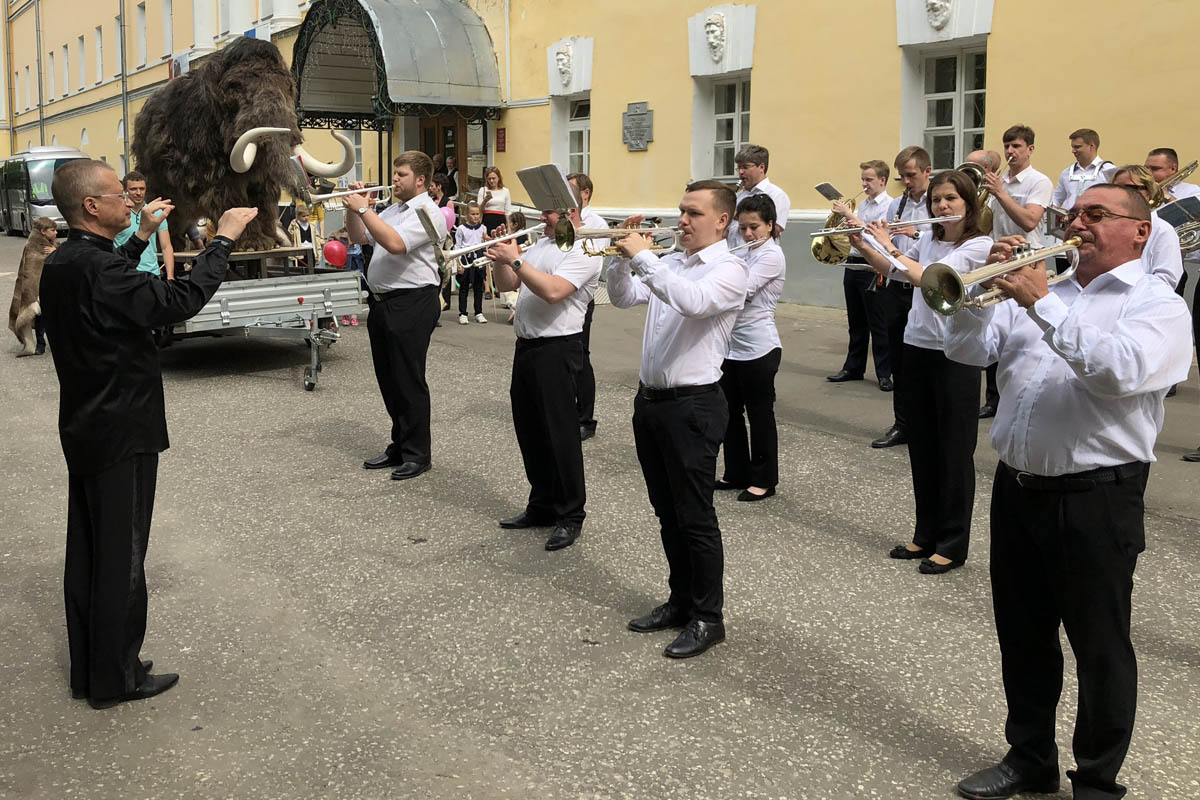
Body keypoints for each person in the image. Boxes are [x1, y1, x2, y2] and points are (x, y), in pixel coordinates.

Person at [944, 184, 1192, 800]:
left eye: (1096, 215)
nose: (1077, 224)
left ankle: (1098, 782)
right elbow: (966, 349)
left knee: (1099, 644)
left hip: (1096, 497)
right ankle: (1030, 758)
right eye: (1073, 214)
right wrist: (979, 293)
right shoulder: (1044, 290)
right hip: (1017, 486)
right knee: (1023, 635)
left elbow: (1118, 373)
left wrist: (1042, 302)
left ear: (1141, 232)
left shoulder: (1157, 304)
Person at [39, 158, 255, 709]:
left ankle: (98, 667)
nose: (129, 202)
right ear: (91, 205)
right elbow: (175, 304)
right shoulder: (98, 269)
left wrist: (142, 237)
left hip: (89, 424)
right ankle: (118, 679)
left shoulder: (68, 260)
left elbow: (112, 284)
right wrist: (223, 242)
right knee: (121, 557)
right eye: (119, 195)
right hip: (121, 428)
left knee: (92, 552)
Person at [608, 180, 748, 659]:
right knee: (667, 512)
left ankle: (710, 618)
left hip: (694, 405)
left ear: (722, 221)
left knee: (695, 517)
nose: (682, 220)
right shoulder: (671, 262)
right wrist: (620, 257)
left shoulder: (730, 269)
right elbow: (623, 298)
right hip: (651, 403)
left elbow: (693, 302)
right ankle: (680, 600)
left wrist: (643, 258)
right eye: (681, 212)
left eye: (692, 213)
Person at [848, 169, 992, 574]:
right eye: (936, 201)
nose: (941, 206)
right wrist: (861, 242)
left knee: (953, 450)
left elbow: (926, 277)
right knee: (922, 446)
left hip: (956, 355)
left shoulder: (979, 245)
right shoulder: (928, 239)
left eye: (951, 200)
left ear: (968, 206)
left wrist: (886, 244)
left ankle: (952, 542)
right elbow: (895, 272)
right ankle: (924, 533)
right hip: (918, 346)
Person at [485, 189, 599, 552]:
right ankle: (542, 504)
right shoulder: (540, 244)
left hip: (558, 348)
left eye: (548, 213)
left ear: (569, 212)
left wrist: (516, 260)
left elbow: (553, 291)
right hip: (528, 346)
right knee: (530, 430)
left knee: (560, 435)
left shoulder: (584, 250)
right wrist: (502, 258)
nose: (542, 219)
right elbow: (508, 286)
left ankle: (570, 515)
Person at [343, 151, 448, 482]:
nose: (395, 179)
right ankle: (400, 443)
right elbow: (360, 237)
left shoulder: (427, 212)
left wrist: (363, 207)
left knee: (408, 378)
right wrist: (353, 210)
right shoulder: (394, 209)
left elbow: (395, 243)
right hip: (384, 302)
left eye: (401, 174)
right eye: (395, 173)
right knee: (389, 378)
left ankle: (418, 453)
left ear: (420, 179)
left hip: (413, 301)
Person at [978, 125, 1054, 419]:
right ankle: (993, 399)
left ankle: (1020, 394)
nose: (1010, 152)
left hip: (1027, 261)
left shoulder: (1039, 181)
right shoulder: (1001, 181)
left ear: (1030, 150)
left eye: (1017, 146)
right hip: (1000, 257)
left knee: (1023, 332)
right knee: (994, 327)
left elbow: (1029, 221)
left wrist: (1000, 193)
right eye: (1007, 146)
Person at [716, 194, 785, 502]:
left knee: (759, 415)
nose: (747, 234)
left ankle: (764, 479)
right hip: (731, 347)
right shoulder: (741, 251)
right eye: (742, 228)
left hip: (759, 347)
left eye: (754, 227)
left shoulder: (771, 256)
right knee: (728, 413)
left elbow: (739, 291)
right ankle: (736, 472)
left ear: (770, 226)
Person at [871, 146, 934, 449]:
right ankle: (902, 424)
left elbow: (945, 238)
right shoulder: (896, 204)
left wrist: (915, 234)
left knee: (929, 359)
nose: (907, 182)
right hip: (897, 287)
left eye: (911, 175)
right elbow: (886, 247)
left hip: (925, 286)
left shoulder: (938, 203)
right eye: (903, 177)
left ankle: (929, 422)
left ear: (927, 172)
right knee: (899, 357)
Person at [826, 159, 893, 390]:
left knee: (878, 322)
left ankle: (885, 373)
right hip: (853, 262)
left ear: (882, 180)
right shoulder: (863, 204)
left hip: (872, 265)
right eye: (863, 179)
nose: (864, 184)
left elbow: (874, 233)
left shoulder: (889, 205)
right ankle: (853, 367)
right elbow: (857, 230)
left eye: (869, 179)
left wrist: (850, 216)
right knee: (856, 321)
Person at [567, 172, 606, 440]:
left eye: (570, 190)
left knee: (580, 356)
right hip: (560, 295)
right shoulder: (563, 217)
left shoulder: (597, 223)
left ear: (585, 193)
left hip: (580, 296)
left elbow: (595, 260)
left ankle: (585, 419)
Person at [1108, 166, 1184, 288]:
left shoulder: (1163, 230)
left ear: (1148, 192)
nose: (1120, 193)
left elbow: (1166, 280)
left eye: (1129, 188)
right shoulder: (1106, 224)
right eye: (1116, 188)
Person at [9, 216, 58, 356]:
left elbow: (62, 262)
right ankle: (40, 344)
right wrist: (30, 292)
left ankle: (56, 343)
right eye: (53, 230)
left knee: (53, 317)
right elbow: (29, 271)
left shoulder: (54, 245)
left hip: (52, 286)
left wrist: (56, 252)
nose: (56, 233)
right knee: (40, 318)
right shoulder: (31, 246)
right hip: (38, 289)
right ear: (43, 231)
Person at [113, 170, 176, 280]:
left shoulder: (157, 213)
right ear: (125, 191)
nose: (138, 193)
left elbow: (166, 247)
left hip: (152, 274)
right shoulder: (118, 214)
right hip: (125, 273)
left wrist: (170, 276)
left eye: (141, 189)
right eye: (133, 189)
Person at [729, 144, 791, 245]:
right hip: (735, 256)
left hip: (759, 256)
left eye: (745, 167)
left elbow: (775, 230)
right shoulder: (738, 196)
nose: (740, 172)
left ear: (761, 167)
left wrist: (738, 216)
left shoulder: (777, 195)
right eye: (739, 168)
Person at [1051, 129, 1115, 211]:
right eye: (1072, 147)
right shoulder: (1066, 173)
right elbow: (1057, 199)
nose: (1073, 151)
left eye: (1077, 147)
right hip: (1069, 221)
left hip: (1096, 221)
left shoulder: (1109, 171)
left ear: (1092, 146)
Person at [454, 203, 488, 323]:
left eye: (477, 214)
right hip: (466, 258)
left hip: (479, 258)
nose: (475, 217)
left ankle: (478, 312)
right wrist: (458, 264)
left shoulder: (483, 228)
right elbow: (457, 247)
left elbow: (485, 245)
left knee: (478, 288)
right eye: (472, 214)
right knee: (464, 287)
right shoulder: (461, 229)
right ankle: (463, 313)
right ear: (467, 215)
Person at [429, 174, 458, 311]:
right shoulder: (430, 200)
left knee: (445, 267)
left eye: (432, 186)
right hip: (433, 237)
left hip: (445, 237)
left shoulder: (448, 202)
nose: (430, 188)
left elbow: (449, 220)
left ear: (439, 187)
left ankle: (445, 300)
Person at [287, 202, 324, 268]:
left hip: (310, 251)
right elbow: (290, 238)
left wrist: (319, 256)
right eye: (303, 216)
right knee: (300, 270)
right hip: (300, 252)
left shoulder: (312, 226)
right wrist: (292, 228)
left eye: (307, 215)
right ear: (298, 216)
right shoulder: (294, 225)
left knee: (311, 269)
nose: (306, 218)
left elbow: (317, 241)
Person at [478, 167, 512, 235]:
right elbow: (479, 209)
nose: (491, 181)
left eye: (493, 178)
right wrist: (485, 201)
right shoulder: (483, 190)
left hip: (500, 220)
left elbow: (508, 211)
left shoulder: (505, 191)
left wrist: (509, 228)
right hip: (487, 220)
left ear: (498, 178)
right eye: (489, 179)